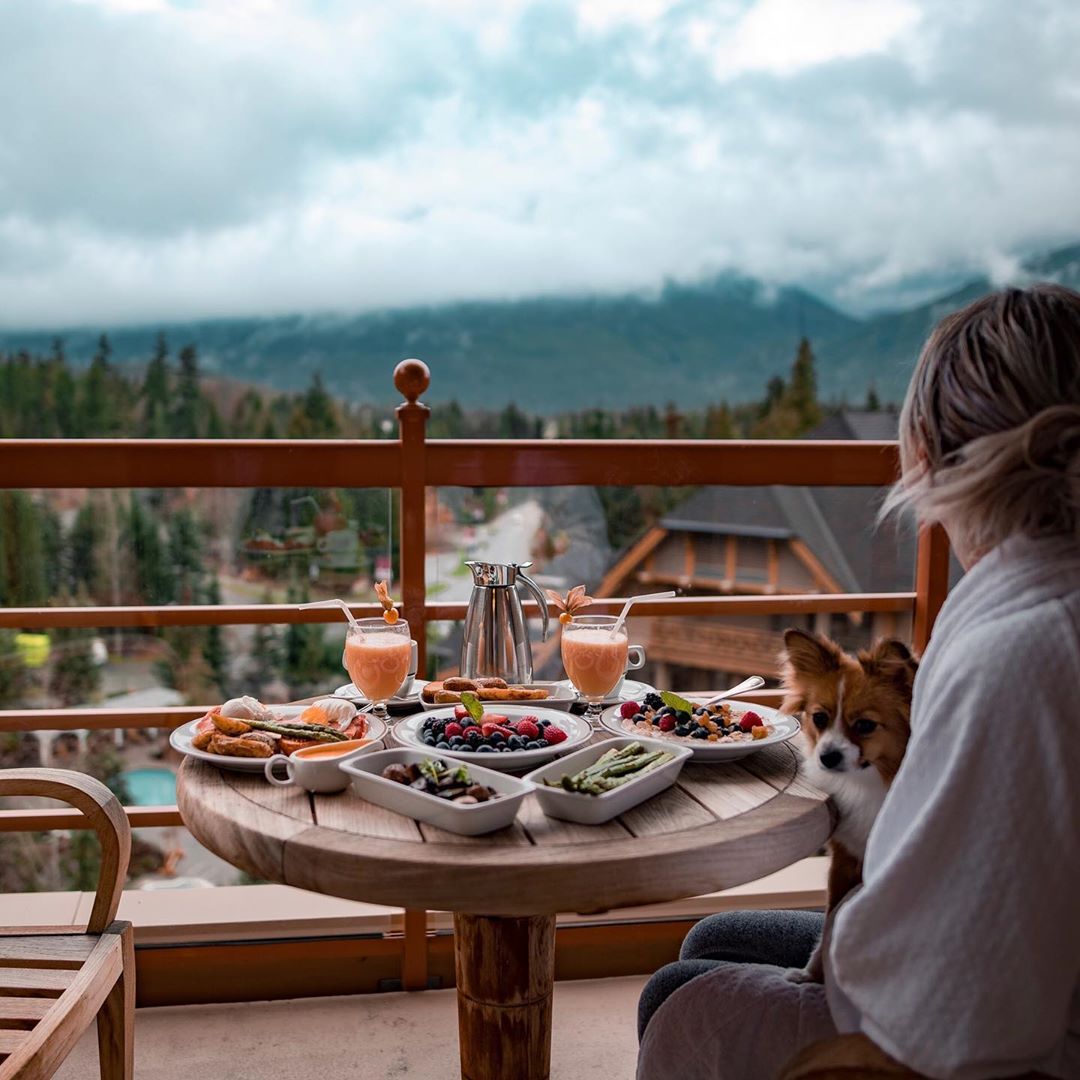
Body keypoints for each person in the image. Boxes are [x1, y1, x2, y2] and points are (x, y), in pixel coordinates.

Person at [636, 283, 1080, 1080]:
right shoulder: (1035, 602)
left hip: (1001, 1047)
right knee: (708, 943)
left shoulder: (1025, 650)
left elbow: (964, 1001)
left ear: (931, 454)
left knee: (681, 1002)